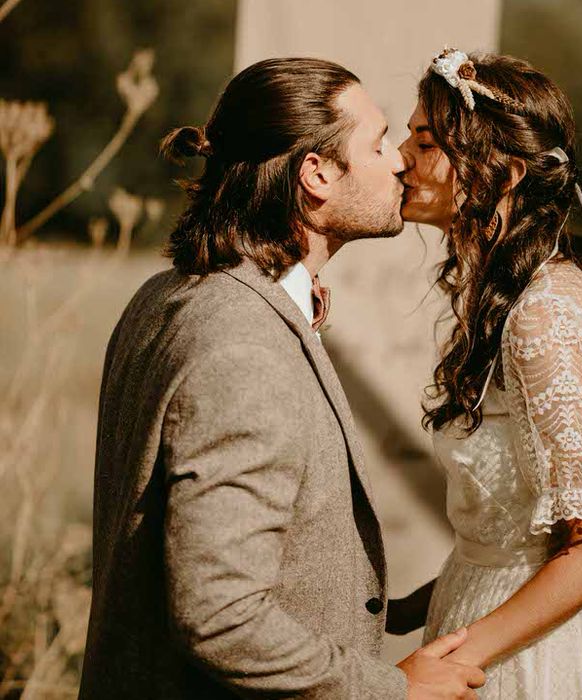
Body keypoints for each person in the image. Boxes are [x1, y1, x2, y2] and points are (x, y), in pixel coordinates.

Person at [79, 57, 485, 700]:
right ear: (316, 173)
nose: (401, 161)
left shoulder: (167, 296)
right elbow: (219, 613)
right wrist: (391, 690)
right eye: (378, 145)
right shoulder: (241, 347)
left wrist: (382, 603)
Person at [388, 49, 582, 698]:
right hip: (480, 620)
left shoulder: (545, 314)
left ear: (499, 172)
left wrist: (447, 663)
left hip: (530, 661)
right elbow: (508, 535)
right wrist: (396, 611)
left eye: (424, 142)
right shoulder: (498, 299)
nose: (398, 156)